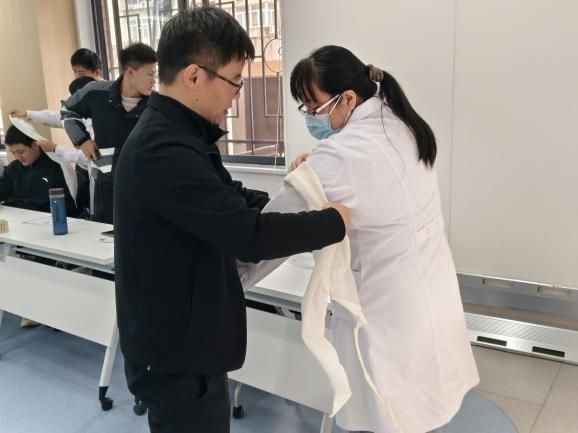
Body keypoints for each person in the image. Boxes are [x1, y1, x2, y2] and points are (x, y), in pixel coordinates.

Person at [114, 7, 350, 433]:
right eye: (235, 80)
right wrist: (332, 222)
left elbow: (228, 198)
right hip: (175, 355)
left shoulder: (181, 134)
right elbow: (249, 236)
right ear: (193, 76)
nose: (238, 93)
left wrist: (296, 196)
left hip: (188, 339)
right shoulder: (161, 149)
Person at [279, 46, 479, 433]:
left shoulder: (342, 153)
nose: (309, 116)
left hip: (386, 308)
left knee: (388, 410)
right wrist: (313, 173)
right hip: (428, 289)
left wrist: (306, 177)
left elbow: (276, 225)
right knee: (417, 404)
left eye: (313, 106)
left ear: (347, 99)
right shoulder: (400, 125)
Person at [61, 42, 157, 223]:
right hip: (106, 187)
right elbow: (67, 111)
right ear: (130, 72)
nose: (154, 80)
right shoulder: (96, 92)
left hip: (143, 188)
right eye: (150, 74)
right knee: (104, 235)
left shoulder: (156, 105)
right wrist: (82, 140)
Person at [0, 125, 76, 216]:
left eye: (21, 152)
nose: (17, 157)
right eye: (13, 153)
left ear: (35, 145)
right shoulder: (13, 168)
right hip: (18, 219)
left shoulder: (56, 167)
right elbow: (3, 191)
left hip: (49, 219)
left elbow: (68, 207)